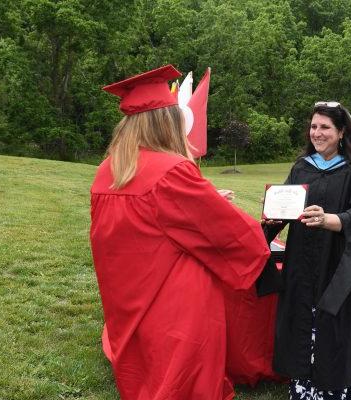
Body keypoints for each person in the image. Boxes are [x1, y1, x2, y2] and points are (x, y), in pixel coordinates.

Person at [90, 64, 270, 400]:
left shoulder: (107, 170)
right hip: (174, 298)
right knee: (183, 379)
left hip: (128, 292)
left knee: (145, 368)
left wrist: (204, 197)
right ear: (167, 121)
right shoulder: (171, 170)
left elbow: (143, 224)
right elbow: (228, 232)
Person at [262, 101, 351, 399]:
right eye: (314, 126)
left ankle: (337, 392)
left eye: (325, 127)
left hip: (338, 265)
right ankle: (302, 391)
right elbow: (284, 203)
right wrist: (273, 219)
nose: (317, 132)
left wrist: (332, 219)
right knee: (301, 325)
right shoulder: (302, 167)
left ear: (342, 132)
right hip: (302, 264)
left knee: (334, 329)